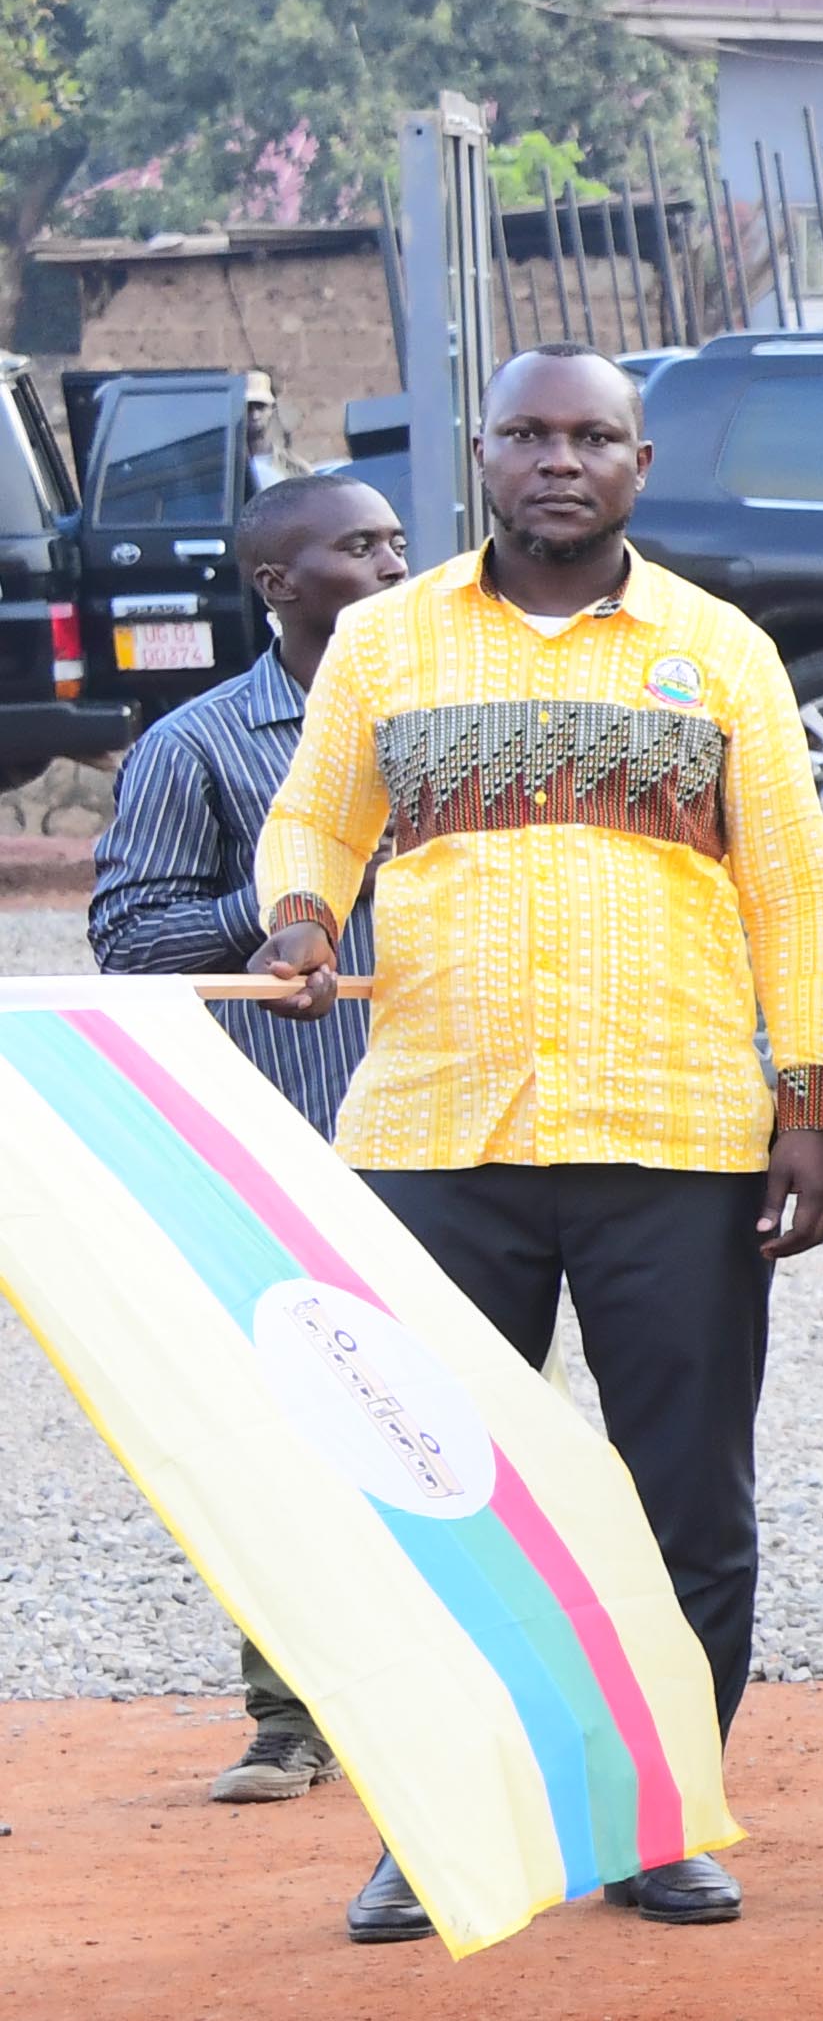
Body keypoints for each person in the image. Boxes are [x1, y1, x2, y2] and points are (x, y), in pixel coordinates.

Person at [254, 348, 823, 1944]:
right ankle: (437, 1825)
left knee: (685, 1506)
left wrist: (809, 1104)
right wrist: (303, 916)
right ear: (484, 454)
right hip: (437, 1134)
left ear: (641, 463)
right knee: (432, 1495)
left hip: (678, 1134)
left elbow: (796, 890)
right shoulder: (385, 641)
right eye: (529, 433)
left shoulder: (719, 652)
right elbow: (315, 818)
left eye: (593, 436)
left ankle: (658, 1817)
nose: (560, 461)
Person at [91, 470, 406, 1806]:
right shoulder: (200, 746)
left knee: (459, 1428)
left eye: (398, 541)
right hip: (294, 1148)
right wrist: (281, 911)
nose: (391, 565)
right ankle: (293, 1716)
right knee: (300, 1437)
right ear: (277, 584)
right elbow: (127, 938)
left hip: (467, 1135)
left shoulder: (460, 719)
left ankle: (456, 1706)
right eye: (358, 546)